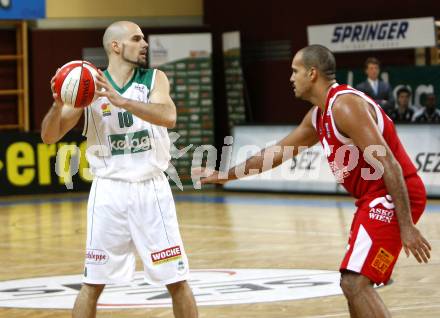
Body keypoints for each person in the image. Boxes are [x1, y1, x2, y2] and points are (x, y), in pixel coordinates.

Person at [197, 45, 431, 318]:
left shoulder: (346, 105)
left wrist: (406, 226)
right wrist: (226, 176)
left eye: (295, 71)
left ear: (312, 73)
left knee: (355, 282)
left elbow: (389, 163)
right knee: (351, 283)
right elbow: (276, 153)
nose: (290, 78)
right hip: (372, 198)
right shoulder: (319, 116)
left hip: (391, 194)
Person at [41, 21, 198, 318]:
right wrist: (57, 104)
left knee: (176, 278)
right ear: (116, 46)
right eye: (137, 39)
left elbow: (169, 116)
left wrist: (121, 100)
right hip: (108, 191)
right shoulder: (89, 88)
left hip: (151, 188)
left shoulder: (154, 78)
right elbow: (49, 136)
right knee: (92, 282)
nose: (145, 44)